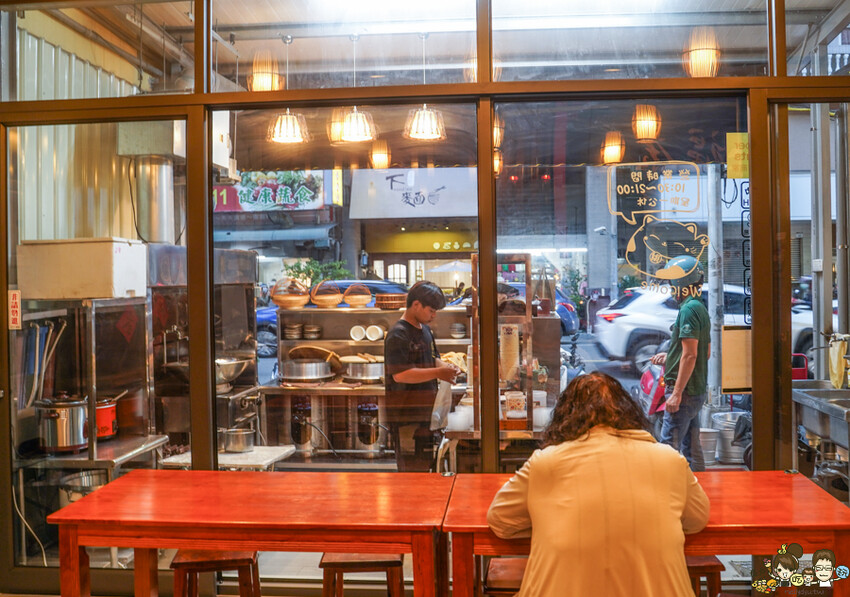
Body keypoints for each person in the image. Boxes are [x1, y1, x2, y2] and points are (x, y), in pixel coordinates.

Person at [487, 372, 710, 597]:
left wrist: (548, 522)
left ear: (565, 417)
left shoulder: (545, 463)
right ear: (629, 412)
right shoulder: (669, 460)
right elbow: (698, 519)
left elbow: (500, 520)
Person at [384, 280, 459, 471]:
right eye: (431, 311)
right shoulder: (398, 335)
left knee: (428, 467)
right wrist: (439, 372)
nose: (434, 316)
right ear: (416, 304)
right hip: (406, 417)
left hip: (427, 413)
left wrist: (448, 367)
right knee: (412, 471)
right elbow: (401, 375)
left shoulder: (424, 329)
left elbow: (431, 358)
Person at [650, 255, 711, 472]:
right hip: (694, 391)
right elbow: (705, 352)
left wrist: (676, 393)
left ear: (680, 283)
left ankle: (666, 498)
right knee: (692, 449)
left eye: (671, 283)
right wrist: (671, 357)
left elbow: (691, 356)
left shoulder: (687, 310)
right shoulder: (699, 307)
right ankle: (701, 493)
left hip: (684, 393)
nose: (670, 288)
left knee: (668, 448)